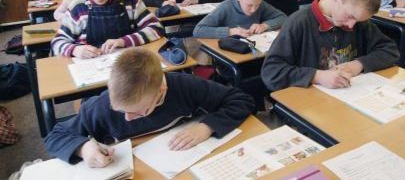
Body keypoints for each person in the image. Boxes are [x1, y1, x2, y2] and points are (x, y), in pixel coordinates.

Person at [44, 48, 254, 166]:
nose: (127, 118)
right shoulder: (101, 107)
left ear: (161, 89)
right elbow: (54, 136)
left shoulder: (184, 85)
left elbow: (241, 99)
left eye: (138, 111)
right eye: (121, 110)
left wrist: (206, 127)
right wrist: (83, 148)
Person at [260, 0, 399, 91]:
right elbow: (270, 72)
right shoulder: (299, 23)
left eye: (357, 20)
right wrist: (317, 76)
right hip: (310, 103)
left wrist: (359, 64)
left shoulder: (358, 23)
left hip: (348, 97)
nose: (351, 25)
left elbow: (391, 50)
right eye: (350, 16)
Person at [193, 0, 286, 38]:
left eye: (257, 5)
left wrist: (265, 25)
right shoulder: (226, 7)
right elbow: (198, 30)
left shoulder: (260, 4)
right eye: (249, 5)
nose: (253, 9)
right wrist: (231, 31)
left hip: (254, 49)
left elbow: (283, 17)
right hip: (232, 52)